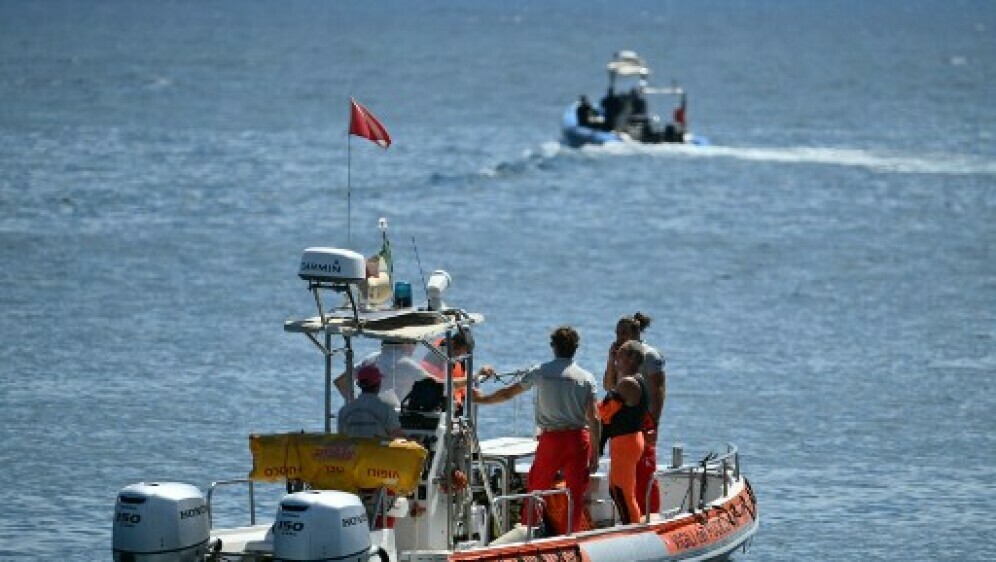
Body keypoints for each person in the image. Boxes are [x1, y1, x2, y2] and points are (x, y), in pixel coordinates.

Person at [473, 326, 601, 535]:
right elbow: (594, 418)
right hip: (578, 438)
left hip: (551, 438)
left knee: (537, 487)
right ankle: (572, 535)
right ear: (576, 348)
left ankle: (529, 529)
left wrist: (482, 400)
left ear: (553, 347)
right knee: (576, 492)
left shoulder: (540, 371)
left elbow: (508, 394)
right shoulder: (586, 378)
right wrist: (595, 453)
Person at [603, 312, 665, 515]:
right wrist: (610, 362)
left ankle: (651, 513)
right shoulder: (621, 354)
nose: (618, 337)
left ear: (635, 332)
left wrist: (654, 423)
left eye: (623, 332)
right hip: (622, 418)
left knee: (646, 468)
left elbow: (658, 391)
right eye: (617, 332)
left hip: (643, 416)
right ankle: (633, 514)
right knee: (625, 472)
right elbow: (609, 386)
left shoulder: (649, 355)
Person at [597, 340, 648, 524]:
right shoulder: (636, 379)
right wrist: (611, 361)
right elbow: (611, 390)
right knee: (617, 488)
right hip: (627, 440)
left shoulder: (628, 383)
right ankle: (630, 523)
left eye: (621, 353)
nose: (617, 354)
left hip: (626, 442)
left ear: (632, 358)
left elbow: (605, 411)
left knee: (622, 491)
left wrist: (588, 406)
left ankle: (632, 527)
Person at [335, 339, 433, 408]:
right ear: (406, 343)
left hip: (369, 413)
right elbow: (435, 386)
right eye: (414, 342)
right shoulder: (407, 364)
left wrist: (355, 404)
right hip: (395, 419)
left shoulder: (369, 359)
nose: (414, 348)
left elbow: (340, 381)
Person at [337, 364, 404, 439]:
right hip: (378, 450)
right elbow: (398, 436)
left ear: (359, 385)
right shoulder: (386, 410)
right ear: (378, 384)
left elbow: (342, 437)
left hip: (354, 450)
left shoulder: (344, 411)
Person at [420, 327, 474, 406]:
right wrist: (474, 378)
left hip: (452, 404)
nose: (460, 357)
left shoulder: (456, 358)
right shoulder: (435, 358)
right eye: (458, 353)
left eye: (463, 354)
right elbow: (443, 384)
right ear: (452, 344)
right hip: (433, 404)